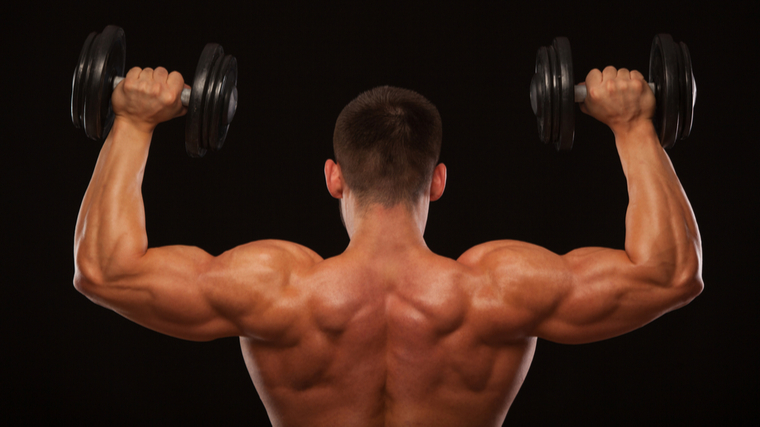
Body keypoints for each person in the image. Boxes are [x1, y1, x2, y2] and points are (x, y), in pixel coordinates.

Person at [73, 64, 703, 426]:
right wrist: (632, 125)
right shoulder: (498, 288)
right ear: (438, 179)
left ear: (333, 176)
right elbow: (671, 275)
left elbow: (104, 270)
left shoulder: (277, 287)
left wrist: (132, 122)